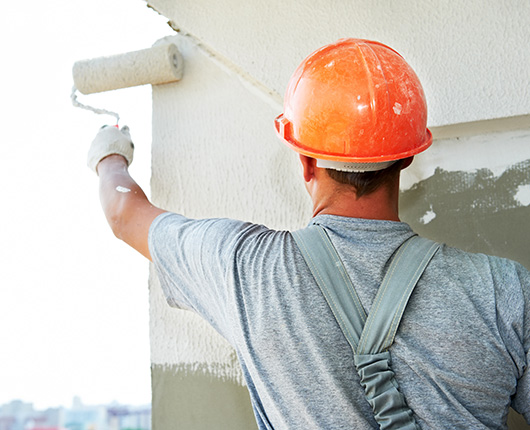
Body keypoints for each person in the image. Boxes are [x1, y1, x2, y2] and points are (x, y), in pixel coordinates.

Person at [88, 39, 530, 429]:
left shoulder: (246, 269)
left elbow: (124, 213)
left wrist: (109, 153)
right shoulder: (504, 291)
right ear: (406, 157)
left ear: (306, 161)